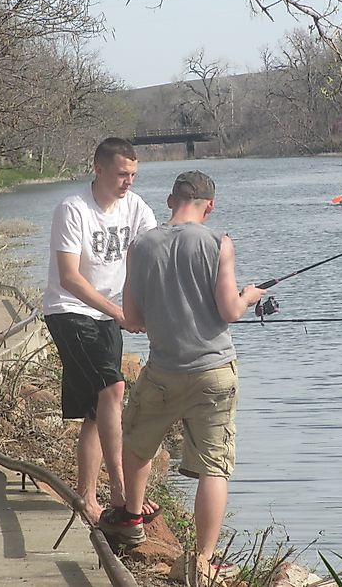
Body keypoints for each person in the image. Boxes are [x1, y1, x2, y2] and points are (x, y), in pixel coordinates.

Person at [98, 170, 266, 582]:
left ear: (171, 200)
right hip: (214, 372)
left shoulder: (140, 246)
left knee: (138, 444)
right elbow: (229, 312)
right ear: (209, 206)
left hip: (162, 371)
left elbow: (133, 318)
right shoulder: (218, 242)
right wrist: (250, 295)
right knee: (213, 467)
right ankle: (204, 560)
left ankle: (131, 519)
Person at [41, 137, 159, 524]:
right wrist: (121, 314)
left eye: (134, 175)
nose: (129, 182)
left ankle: (87, 497)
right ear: (99, 169)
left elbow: (156, 255)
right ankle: (123, 491)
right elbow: (70, 278)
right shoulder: (73, 209)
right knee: (114, 387)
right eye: (123, 174)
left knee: (96, 410)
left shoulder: (136, 206)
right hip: (69, 311)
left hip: (109, 315)